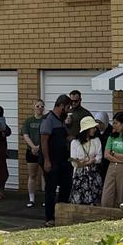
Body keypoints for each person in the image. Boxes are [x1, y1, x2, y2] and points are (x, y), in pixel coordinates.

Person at [40, 94, 74, 226]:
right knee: (50, 189)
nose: (68, 110)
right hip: (51, 160)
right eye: (67, 107)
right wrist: (47, 161)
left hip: (63, 160)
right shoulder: (48, 120)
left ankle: (61, 213)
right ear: (61, 106)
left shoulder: (61, 120)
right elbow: (44, 141)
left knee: (66, 185)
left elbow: (66, 137)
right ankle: (50, 218)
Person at [101, 112, 123, 208]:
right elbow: (106, 155)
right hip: (112, 166)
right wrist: (118, 158)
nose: (114, 125)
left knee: (121, 194)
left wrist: (114, 153)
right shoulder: (111, 137)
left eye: (116, 123)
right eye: (113, 123)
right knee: (106, 197)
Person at [69, 116, 104, 205]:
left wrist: (84, 161)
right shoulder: (75, 142)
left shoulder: (96, 141)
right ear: (86, 129)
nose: (94, 129)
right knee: (79, 201)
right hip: (79, 176)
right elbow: (74, 162)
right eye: (92, 128)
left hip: (94, 174)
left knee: (95, 199)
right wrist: (89, 161)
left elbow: (99, 158)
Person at [21, 99, 45, 208]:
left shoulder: (46, 120)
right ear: (33, 107)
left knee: (45, 175)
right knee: (32, 175)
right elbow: (25, 135)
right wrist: (33, 147)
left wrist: (39, 147)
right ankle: (31, 199)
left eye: (42, 106)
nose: (40, 108)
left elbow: (47, 136)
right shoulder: (28, 121)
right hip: (31, 151)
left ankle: (46, 198)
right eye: (38, 106)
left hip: (44, 151)